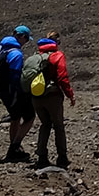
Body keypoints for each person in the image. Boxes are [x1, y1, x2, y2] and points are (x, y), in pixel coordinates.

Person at [30, 33, 74, 170]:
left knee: (45, 124)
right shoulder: (57, 55)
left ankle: (42, 157)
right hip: (52, 96)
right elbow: (62, 77)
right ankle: (62, 158)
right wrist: (70, 95)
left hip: (36, 97)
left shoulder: (34, 58)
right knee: (59, 126)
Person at [0, 26, 36, 163]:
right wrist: (23, 92)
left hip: (1, 91)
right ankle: (14, 147)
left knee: (15, 117)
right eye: (26, 39)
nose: (26, 43)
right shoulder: (16, 54)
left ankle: (15, 148)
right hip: (13, 92)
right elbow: (16, 76)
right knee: (29, 117)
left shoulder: (0, 48)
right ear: (22, 37)